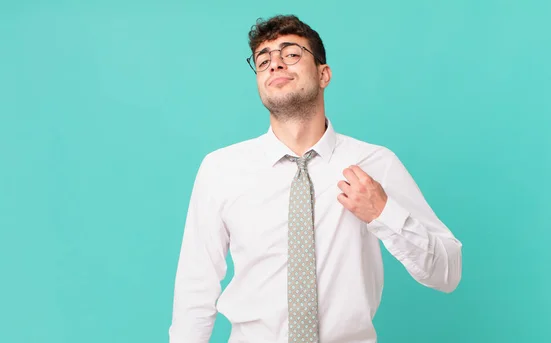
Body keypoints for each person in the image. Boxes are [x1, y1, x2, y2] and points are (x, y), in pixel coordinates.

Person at [168, 14, 462, 343]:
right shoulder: (220, 170)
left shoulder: (374, 164)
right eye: (263, 60)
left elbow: (447, 273)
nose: (274, 64)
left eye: (291, 54)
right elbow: (195, 294)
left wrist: (384, 214)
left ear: (324, 74)